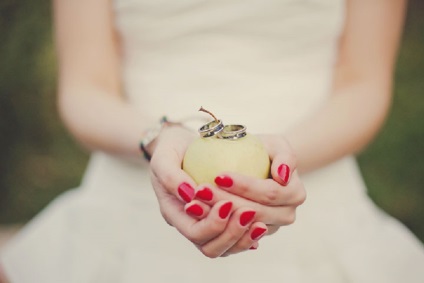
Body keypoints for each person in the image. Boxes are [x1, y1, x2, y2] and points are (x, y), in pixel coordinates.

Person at [1, 0, 424, 282]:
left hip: (318, 199)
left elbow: (363, 84)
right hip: (130, 201)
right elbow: (84, 89)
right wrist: (161, 138)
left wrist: (280, 165)